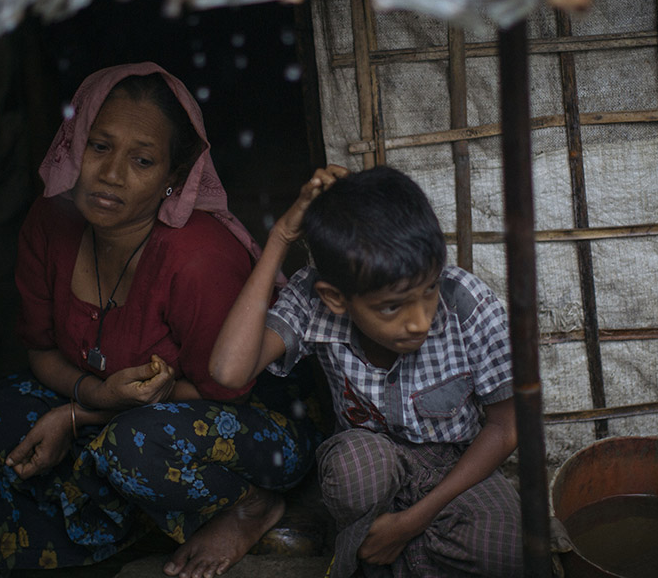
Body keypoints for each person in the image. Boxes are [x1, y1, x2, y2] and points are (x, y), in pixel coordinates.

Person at [0, 62, 322, 578]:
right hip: (113, 400)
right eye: (99, 147)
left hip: (243, 422)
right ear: (73, 145)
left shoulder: (198, 259)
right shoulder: (48, 224)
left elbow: (228, 390)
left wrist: (81, 416)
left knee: (132, 446)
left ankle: (251, 506)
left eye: (142, 160)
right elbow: (41, 351)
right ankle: (135, 522)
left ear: (172, 177)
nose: (112, 174)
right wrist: (96, 397)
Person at [210, 165, 522, 577]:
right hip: (370, 463)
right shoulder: (313, 298)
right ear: (336, 298)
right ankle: (384, 547)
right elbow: (229, 371)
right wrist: (281, 237)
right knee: (356, 469)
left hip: (455, 466)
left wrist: (411, 522)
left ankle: (377, 550)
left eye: (428, 289)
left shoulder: (469, 303)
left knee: (507, 551)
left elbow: (505, 428)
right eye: (392, 307)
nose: (419, 321)